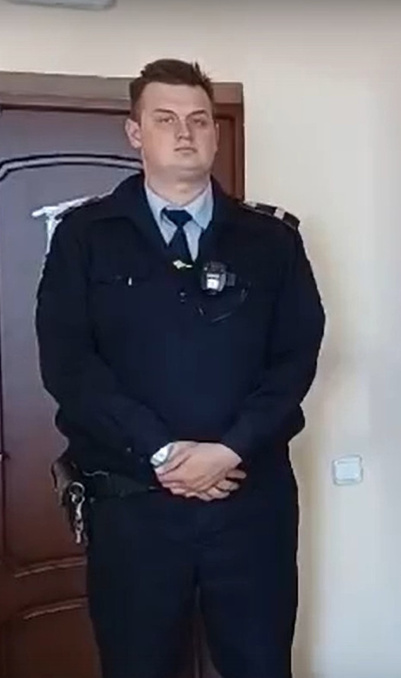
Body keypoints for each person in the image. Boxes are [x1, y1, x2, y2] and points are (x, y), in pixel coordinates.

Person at [35, 58, 325, 678]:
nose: (185, 132)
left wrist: (230, 449)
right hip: (133, 504)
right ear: (135, 132)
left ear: (216, 134)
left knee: (260, 664)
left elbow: (295, 359)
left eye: (199, 119)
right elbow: (69, 365)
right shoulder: (86, 236)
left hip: (248, 501)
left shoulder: (271, 240)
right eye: (165, 119)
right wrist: (163, 452)